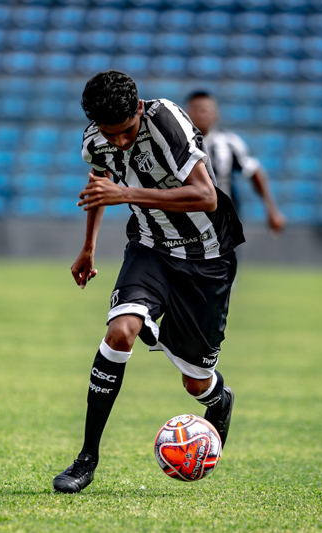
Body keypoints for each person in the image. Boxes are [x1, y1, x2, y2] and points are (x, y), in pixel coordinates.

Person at [53, 71, 245, 494]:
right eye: (110, 133)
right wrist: (88, 247)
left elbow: (206, 196)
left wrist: (127, 195)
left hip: (206, 257)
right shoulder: (96, 140)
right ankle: (86, 458)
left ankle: (219, 398)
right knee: (120, 332)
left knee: (195, 380)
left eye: (125, 131)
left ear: (138, 109)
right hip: (150, 248)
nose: (118, 141)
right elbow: (100, 187)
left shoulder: (168, 122)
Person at [186, 90, 286, 235]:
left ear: (215, 114)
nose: (201, 114)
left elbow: (254, 171)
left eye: (205, 110)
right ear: (186, 114)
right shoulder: (177, 144)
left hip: (222, 219)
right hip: (186, 217)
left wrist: (271, 210)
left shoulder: (229, 143)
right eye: (195, 110)